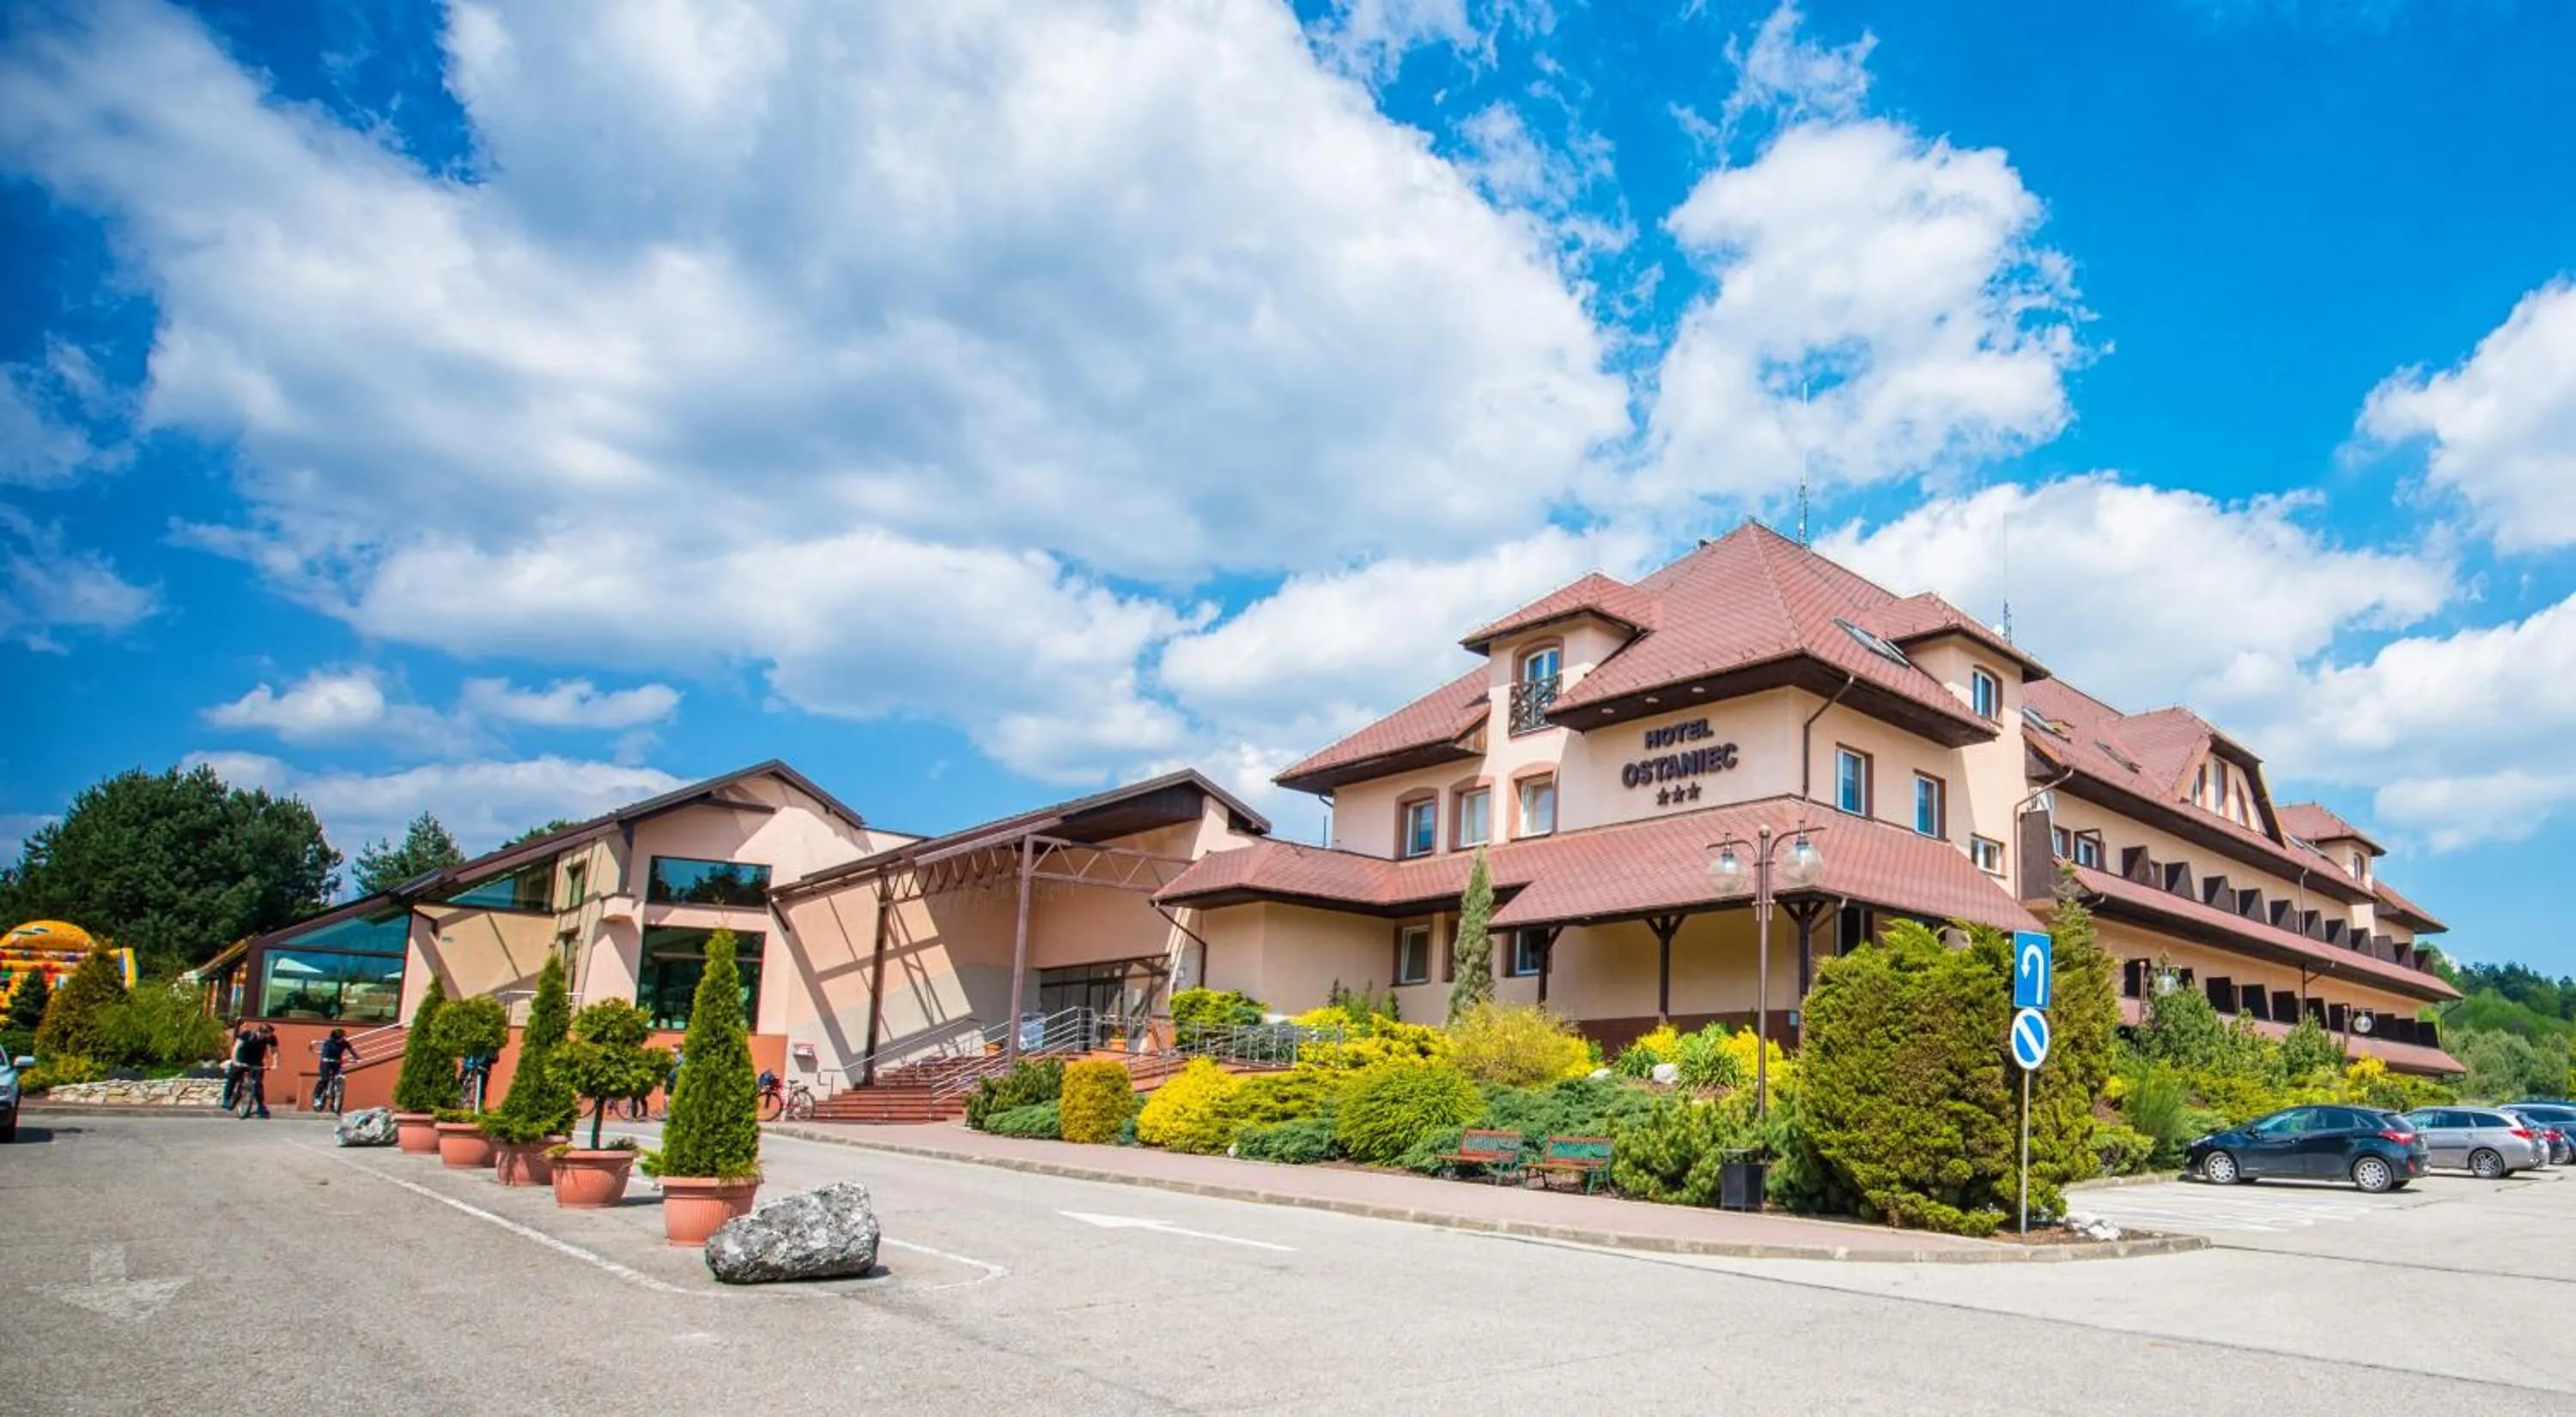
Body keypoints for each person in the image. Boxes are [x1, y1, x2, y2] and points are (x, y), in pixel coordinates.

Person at [234, 1023, 277, 1119]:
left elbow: (274, 1051)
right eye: (267, 1034)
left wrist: (275, 1064)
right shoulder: (249, 1035)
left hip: (257, 1062)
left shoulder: (270, 1038)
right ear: (261, 1032)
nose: (269, 1037)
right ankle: (237, 1095)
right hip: (244, 1060)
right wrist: (235, 1061)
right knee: (238, 1078)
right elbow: (236, 1048)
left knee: (258, 1084)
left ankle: (261, 1107)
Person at [312, 1028, 359, 1110]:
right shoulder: (328, 1043)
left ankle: (334, 1101)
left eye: (344, 1036)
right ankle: (317, 1097)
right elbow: (325, 1054)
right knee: (325, 1079)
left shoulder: (345, 1043)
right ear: (337, 1037)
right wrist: (329, 1059)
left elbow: (352, 1051)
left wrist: (357, 1057)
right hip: (326, 1063)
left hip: (337, 1063)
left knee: (338, 1077)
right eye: (342, 1036)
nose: (344, 1038)